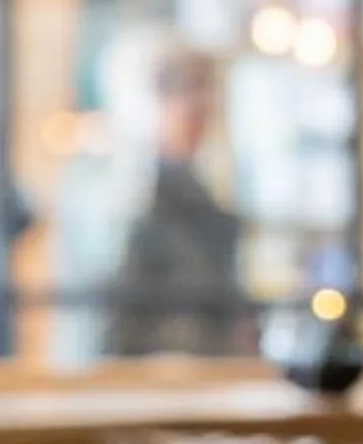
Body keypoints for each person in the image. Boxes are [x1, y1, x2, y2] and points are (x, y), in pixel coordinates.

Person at [98, 37, 253, 359]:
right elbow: (111, 326)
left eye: (205, 90)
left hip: (215, 381)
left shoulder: (207, 198)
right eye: (186, 90)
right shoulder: (129, 201)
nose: (201, 107)